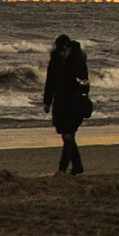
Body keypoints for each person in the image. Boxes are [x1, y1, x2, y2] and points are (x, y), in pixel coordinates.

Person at [41, 35, 91, 176]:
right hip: (59, 102)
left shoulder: (78, 61)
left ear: (69, 48)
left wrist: (78, 89)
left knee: (69, 135)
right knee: (65, 135)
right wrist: (47, 102)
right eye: (60, 50)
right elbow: (49, 83)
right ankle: (77, 166)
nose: (62, 53)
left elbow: (85, 83)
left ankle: (62, 169)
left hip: (74, 102)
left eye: (64, 50)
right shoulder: (54, 62)